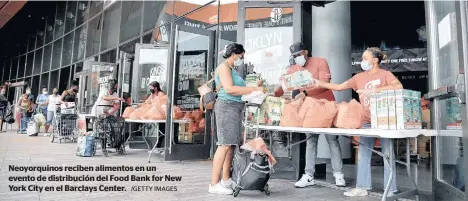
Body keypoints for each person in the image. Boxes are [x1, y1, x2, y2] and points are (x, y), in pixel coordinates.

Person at [312, 47, 403, 197]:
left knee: (387, 155)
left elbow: (398, 87)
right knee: (363, 154)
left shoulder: (385, 74)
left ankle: (391, 189)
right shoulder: (359, 77)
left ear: (374, 61)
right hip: (367, 121)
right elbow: (340, 86)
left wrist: (374, 91)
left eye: (365, 58)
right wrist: (321, 84)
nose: (362, 61)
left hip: (384, 121)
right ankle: (362, 187)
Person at [273, 42, 346, 187]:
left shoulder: (320, 62)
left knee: (332, 140)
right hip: (308, 110)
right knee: (311, 141)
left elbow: (325, 83)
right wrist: (274, 92)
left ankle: (339, 174)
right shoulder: (293, 68)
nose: (297, 58)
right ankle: (309, 175)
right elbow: (283, 88)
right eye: (294, 56)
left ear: (306, 52)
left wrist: (305, 92)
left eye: (299, 54)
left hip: (326, 106)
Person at [209, 43, 264, 195]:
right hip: (226, 107)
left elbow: (238, 89)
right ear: (234, 54)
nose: (242, 59)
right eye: (241, 56)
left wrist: (255, 86)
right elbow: (230, 89)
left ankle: (226, 180)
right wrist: (254, 89)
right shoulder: (224, 67)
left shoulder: (232, 69)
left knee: (231, 145)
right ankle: (213, 184)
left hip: (235, 108)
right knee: (224, 144)